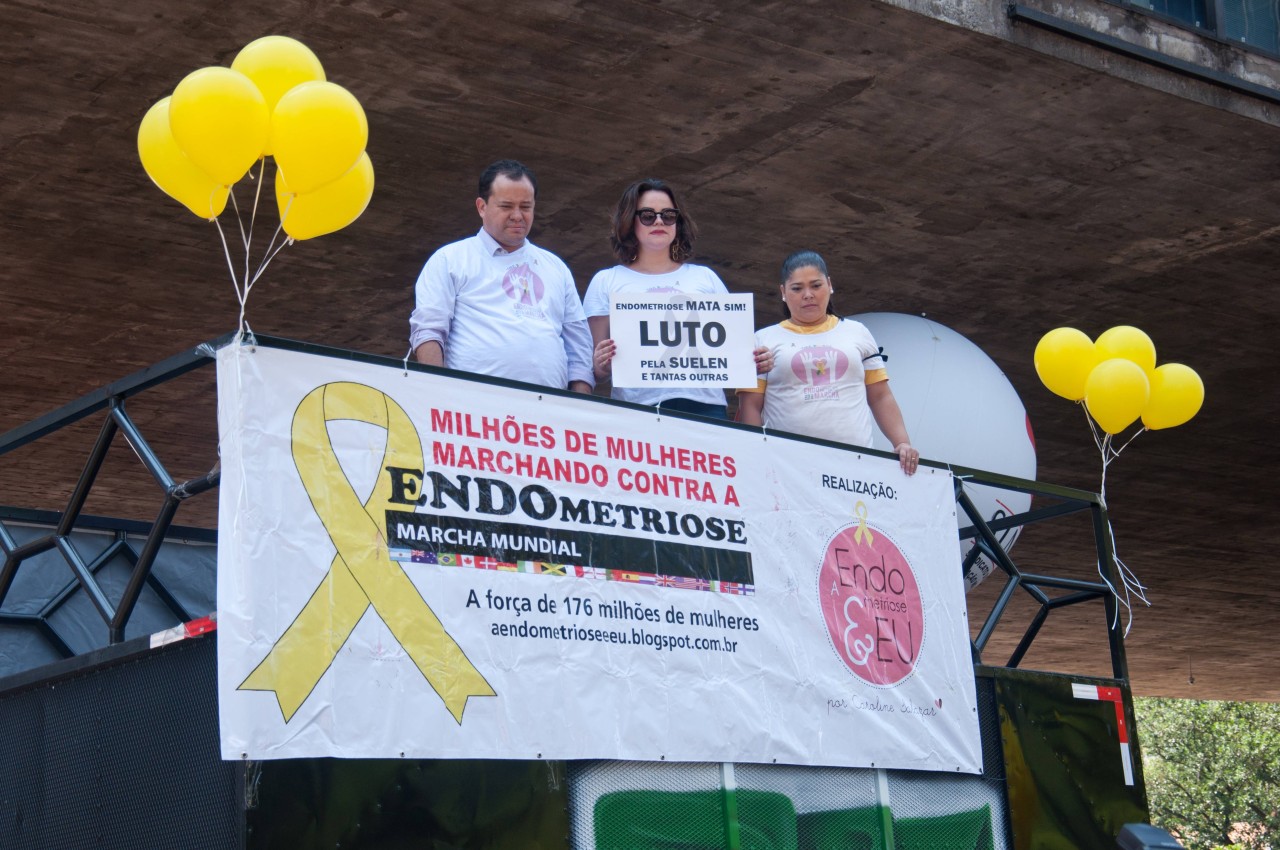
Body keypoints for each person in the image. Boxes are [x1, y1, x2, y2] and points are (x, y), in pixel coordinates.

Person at [584, 178, 772, 418]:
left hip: (706, 408)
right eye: (648, 215)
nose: (659, 221)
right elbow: (593, 368)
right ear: (630, 220)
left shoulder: (706, 277)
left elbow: (737, 350)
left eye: (669, 215)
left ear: (677, 222)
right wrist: (601, 363)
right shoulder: (606, 281)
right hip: (638, 411)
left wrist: (758, 360)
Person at [409, 160, 594, 393]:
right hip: (474, 409)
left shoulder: (556, 267)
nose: (517, 216)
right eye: (506, 206)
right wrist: (438, 394)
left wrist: (581, 413)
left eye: (526, 207)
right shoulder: (450, 259)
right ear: (481, 207)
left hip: (549, 416)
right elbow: (428, 332)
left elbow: (579, 351)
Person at [737, 250, 921, 475]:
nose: (808, 295)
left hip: (855, 468)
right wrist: (755, 454)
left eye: (816, 285)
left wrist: (901, 442)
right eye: (797, 288)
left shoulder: (857, 332)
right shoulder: (762, 340)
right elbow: (750, 405)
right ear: (783, 292)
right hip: (788, 467)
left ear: (830, 285)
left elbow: (880, 395)